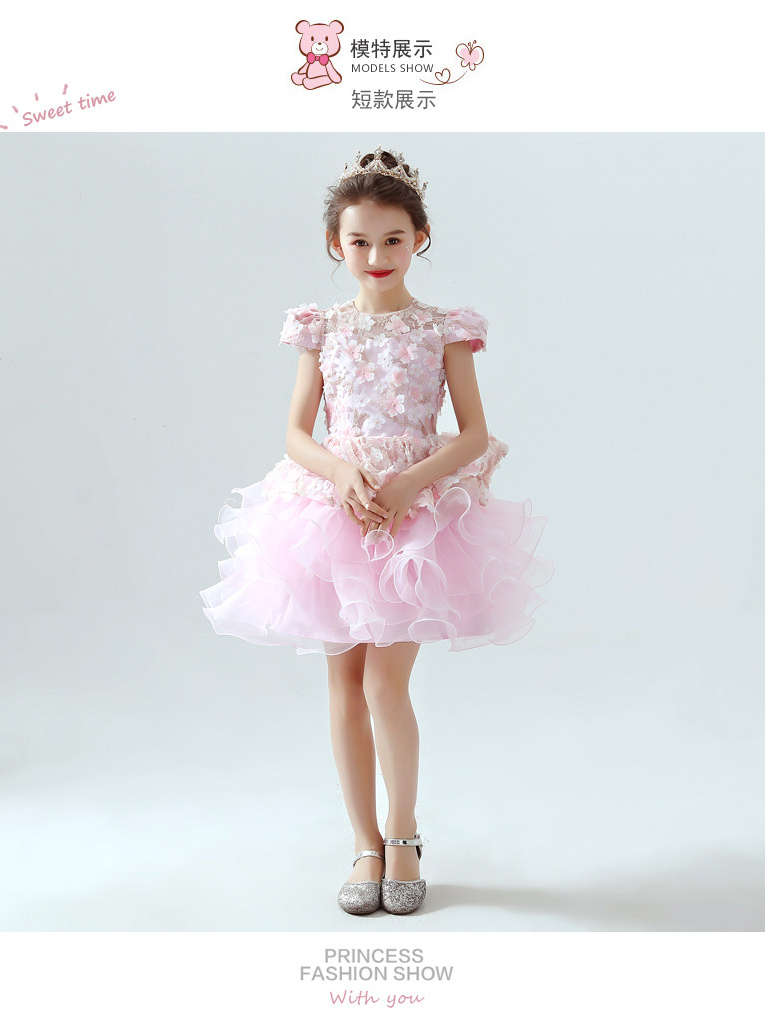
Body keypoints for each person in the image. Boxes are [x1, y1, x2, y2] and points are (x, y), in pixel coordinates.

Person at [199, 146, 553, 916]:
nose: (376, 254)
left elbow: (473, 432)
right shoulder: (321, 328)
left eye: (393, 238)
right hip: (335, 511)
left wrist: (409, 482)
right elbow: (297, 433)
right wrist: (341, 473)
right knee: (343, 684)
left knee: (384, 683)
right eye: (359, 240)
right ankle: (363, 842)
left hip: (413, 516)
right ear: (337, 244)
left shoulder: (443, 329)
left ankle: (403, 834)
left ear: (420, 237)